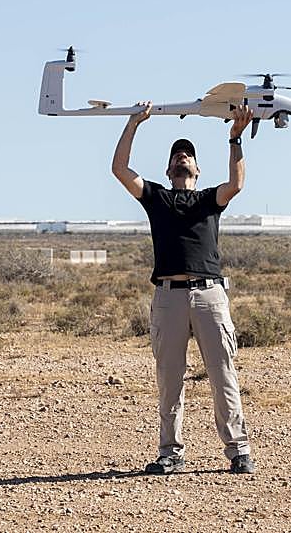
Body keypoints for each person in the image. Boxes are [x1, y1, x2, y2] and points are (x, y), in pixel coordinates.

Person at [111, 101, 256, 475]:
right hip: (168, 297)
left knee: (223, 374)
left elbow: (236, 184)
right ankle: (170, 453)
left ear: (197, 168)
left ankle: (238, 450)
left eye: (188, 154)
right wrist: (134, 123)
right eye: (177, 154)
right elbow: (120, 169)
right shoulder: (156, 198)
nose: (182, 156)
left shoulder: (209, 200)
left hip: (209, 296)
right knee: (169, 379)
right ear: (168, 169)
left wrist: (235, 139)